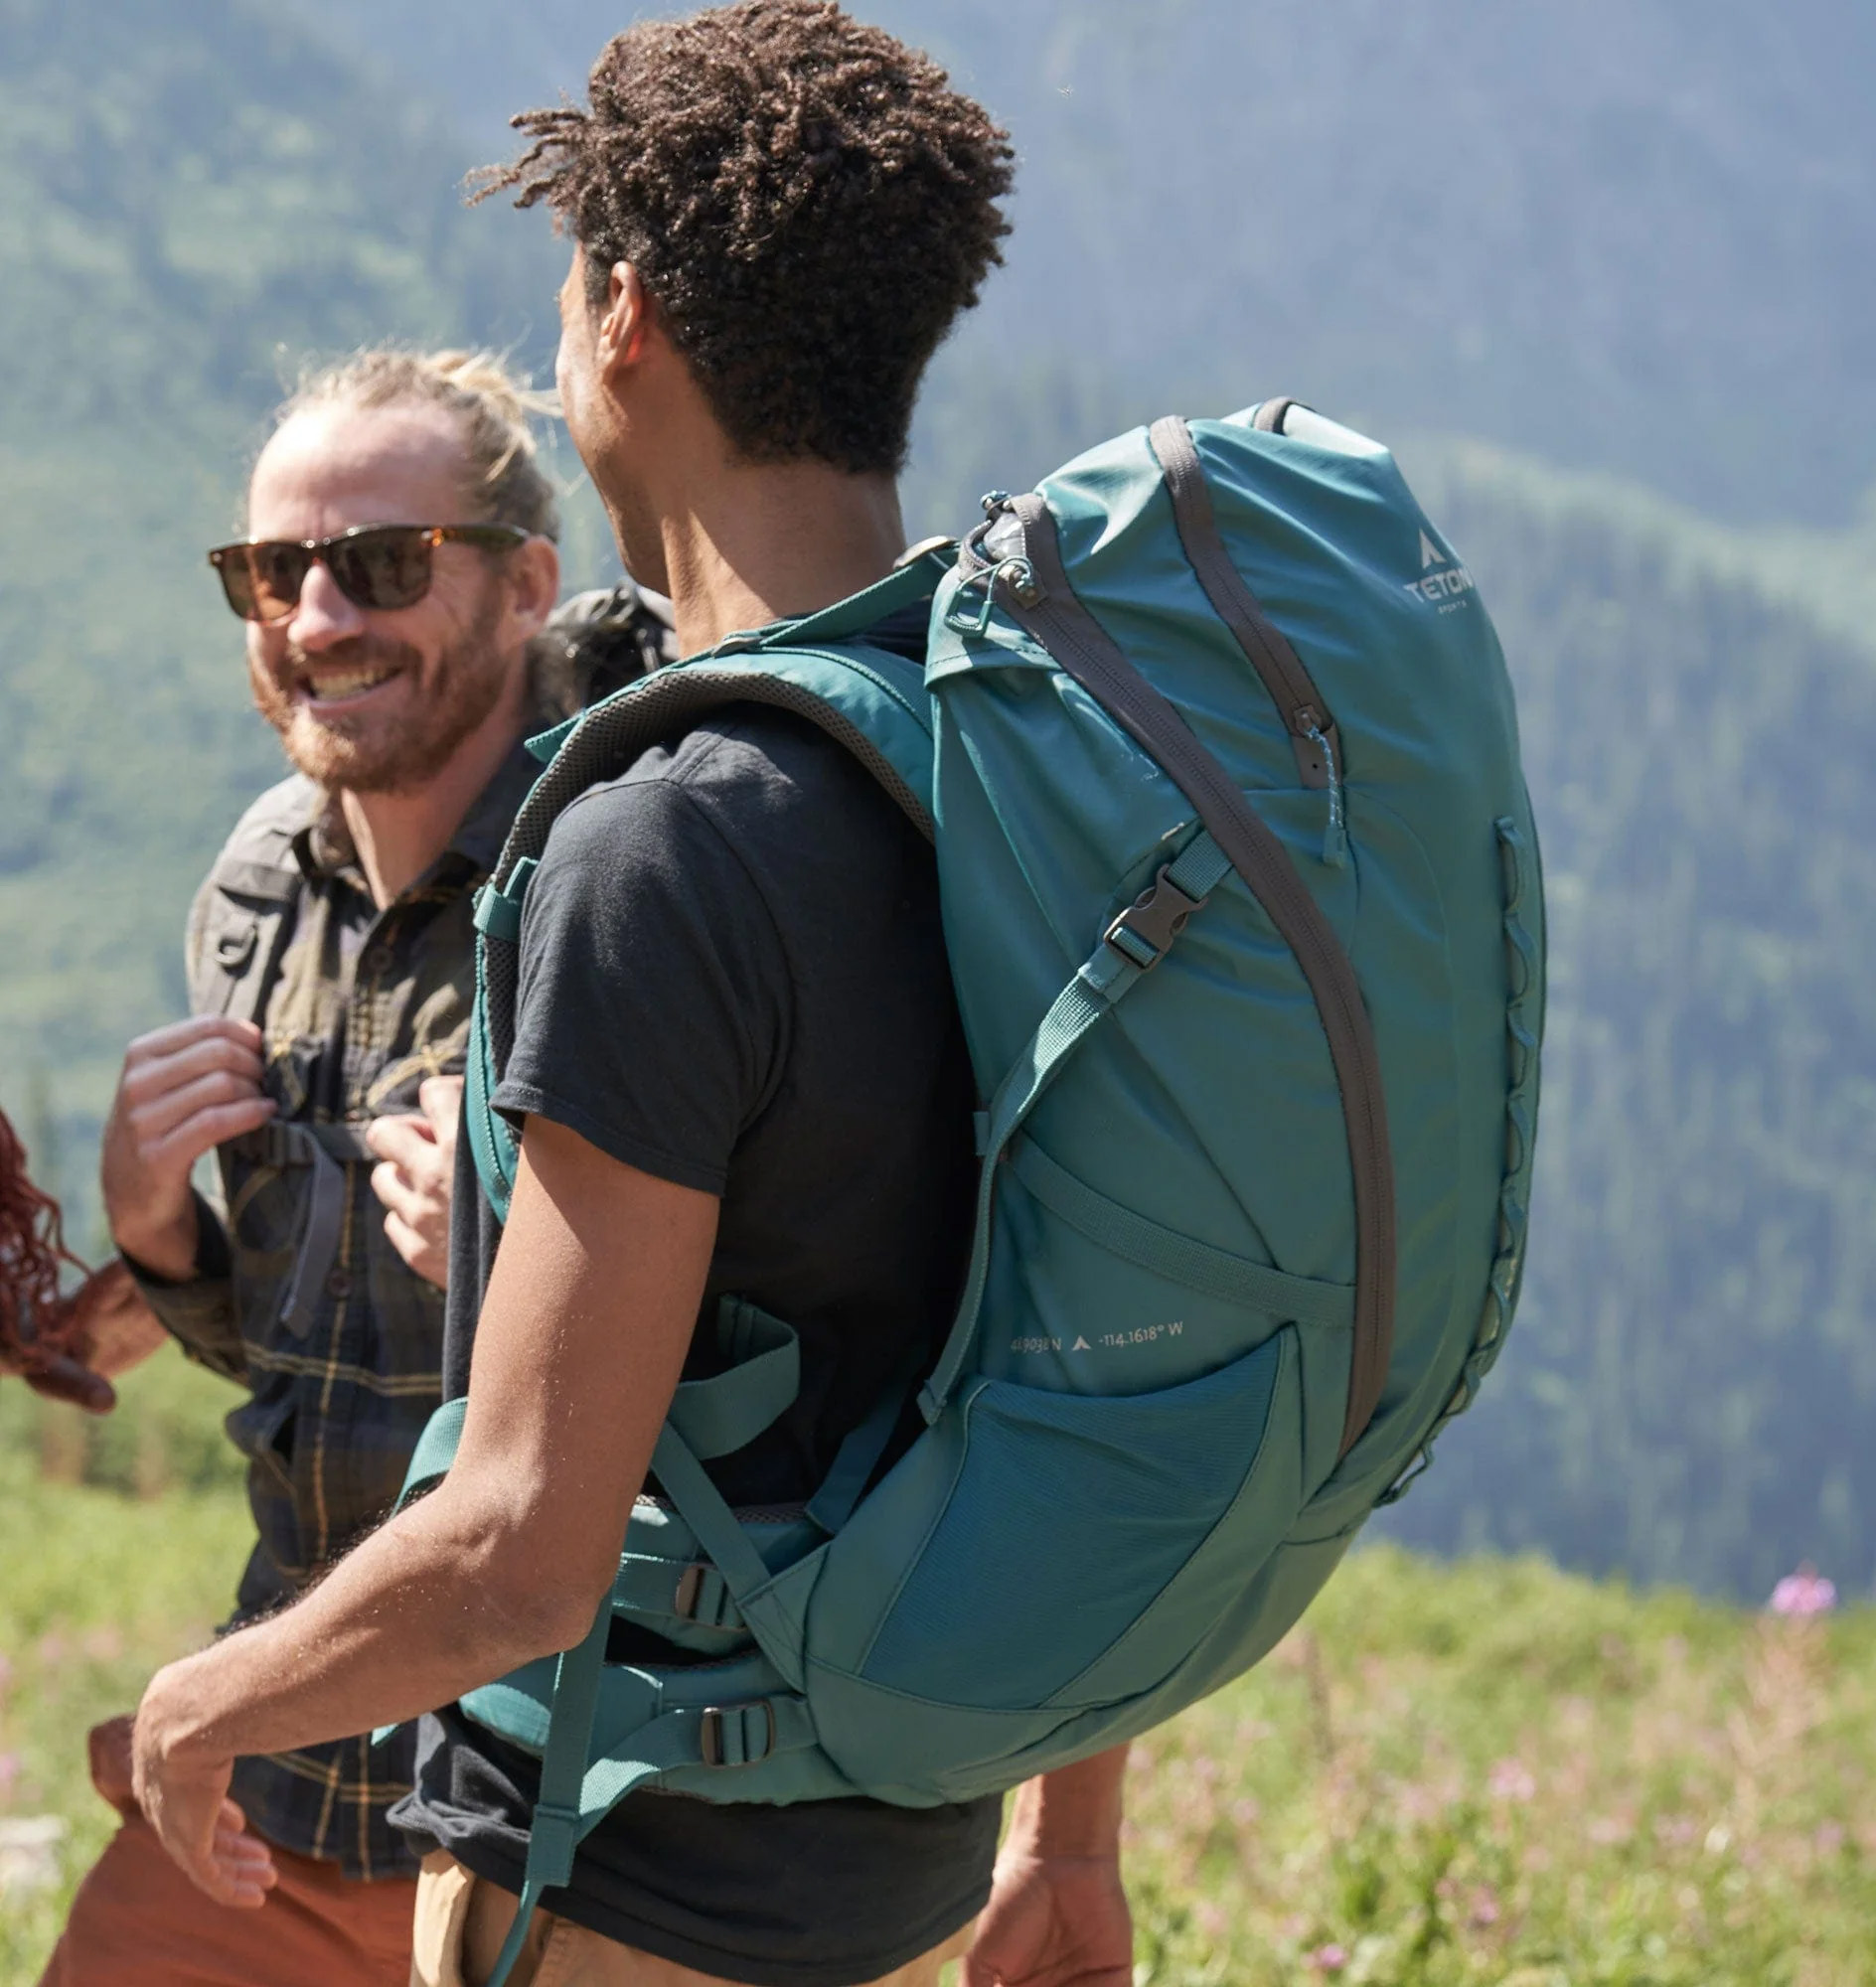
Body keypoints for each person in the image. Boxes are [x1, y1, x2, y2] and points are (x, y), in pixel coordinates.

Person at [126, 7, 1137, 1986]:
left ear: (622, 321)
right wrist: (1072, 1832)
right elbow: (1064, 1341)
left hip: (632, 1877)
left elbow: (520, 1547)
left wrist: (200, 1706)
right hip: (908, 1867)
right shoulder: (1006, 749)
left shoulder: (652, 841)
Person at [41, 351, 564, 1987]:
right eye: (273, 572)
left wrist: (530, 1278)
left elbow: (806, 1343)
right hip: (279, 1790)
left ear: (528, 583)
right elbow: (298, 1358)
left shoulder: (630, 873)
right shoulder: (260, 886)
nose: (319, 616)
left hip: (555, 1816)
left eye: (384, 563)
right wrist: (161, 1235)